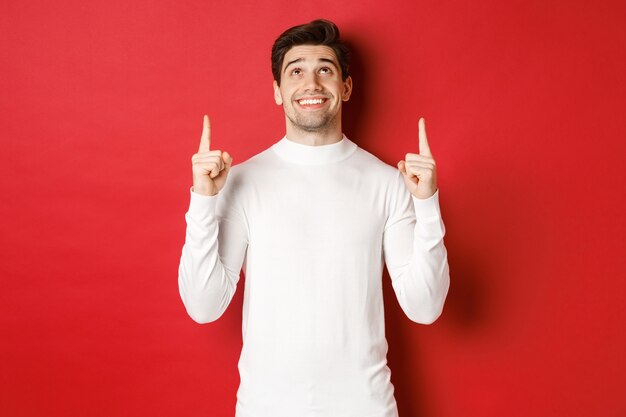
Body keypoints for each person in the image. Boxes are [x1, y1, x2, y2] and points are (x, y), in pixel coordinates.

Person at [178, 19, 450, 417]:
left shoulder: (388, 183)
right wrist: (203, 200)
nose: (311, 84)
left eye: (325, 69)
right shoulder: (240, 182)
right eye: (296, 71)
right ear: (277, 91)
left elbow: (425, 308)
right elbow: (204, 306)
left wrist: (426, 204)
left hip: (366, 408)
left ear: (346, 87)